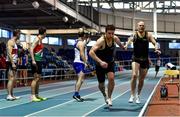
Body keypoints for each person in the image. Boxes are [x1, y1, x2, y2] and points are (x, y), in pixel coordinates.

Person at [124, 21, 161, 104]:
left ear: (145, 27)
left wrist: (156, 48)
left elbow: (155, 43)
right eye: (140, 25)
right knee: (134, 75)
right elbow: (129, 40)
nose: (141, 27)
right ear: (137, 26)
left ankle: (138, 95)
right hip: (136, 58)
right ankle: (132, 95)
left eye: (143, 25)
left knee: (141, 79)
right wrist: (126, 45)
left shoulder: (148, 35)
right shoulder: (134, 34)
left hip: (144, 59)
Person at [89, 25, 125, 106]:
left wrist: (124, 47)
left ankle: (109, 97)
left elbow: (121, 45)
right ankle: (104, 94)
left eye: (112, 33)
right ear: (105, 32)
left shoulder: (115, 38)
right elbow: (91, 52)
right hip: (100, 64)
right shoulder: (101, 41)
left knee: (111, 79)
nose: (111, 35)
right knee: (101, 85)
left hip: (110, 63)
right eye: (109, 33)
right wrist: (101, 62)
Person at [72, 27, 90, 102]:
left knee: (81, 79)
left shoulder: (78, 41)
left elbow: (87, 42)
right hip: (79, 62)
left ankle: (77, 94)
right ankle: (76, 94)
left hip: (78, 62)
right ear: (83, 35)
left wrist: (88, 36)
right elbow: (82, 55)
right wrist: (86, 62)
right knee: (80, 78)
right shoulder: (81, 43)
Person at [30, 27, 47, 102]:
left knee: (38, 79)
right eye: (46, 33)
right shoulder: (36, 39)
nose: (46, 34)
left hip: (39, 60)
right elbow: (31, 49)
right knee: (35, 79)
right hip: (35, 61)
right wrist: (33, 60)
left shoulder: (40, 40)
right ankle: (33, 96)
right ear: (44, 33)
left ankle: (37, 95)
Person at [6, 29, 21, 100]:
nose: (20, 35)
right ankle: (9, 95)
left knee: (13, 79)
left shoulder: (15, 42)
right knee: (11, 78)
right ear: (17, 34)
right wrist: (12, 63)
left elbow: (14, 53)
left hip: (14, 62)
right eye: (20, 34)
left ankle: (12, 95)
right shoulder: (10, 42)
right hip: (11, 62)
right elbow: (9, 53)